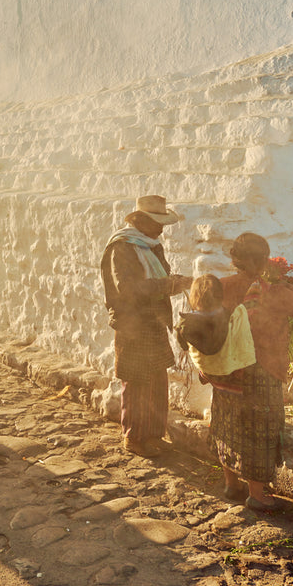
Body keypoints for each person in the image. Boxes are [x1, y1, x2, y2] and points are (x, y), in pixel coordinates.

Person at [191, 232, 293, 511]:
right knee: (259, 431)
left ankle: (231, 486)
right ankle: (257, 496)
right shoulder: (272, 292)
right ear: (263, 260)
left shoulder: (220, 286)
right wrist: (285, 283)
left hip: (225, 371)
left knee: (227, 424)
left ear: (235, 259)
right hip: (261, 370)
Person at [100, 195, 193, 457]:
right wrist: (170, 284)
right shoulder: (122, 248)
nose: (162, 228)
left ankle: (153, 435)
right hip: (132, 324)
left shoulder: (152, 246)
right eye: (158, 222)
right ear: (141, 221)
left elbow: (159, 278)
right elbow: (128, 289)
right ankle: (133, 437)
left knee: (156, 381)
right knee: (136, 380)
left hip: (154, 322)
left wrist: (176, 283)